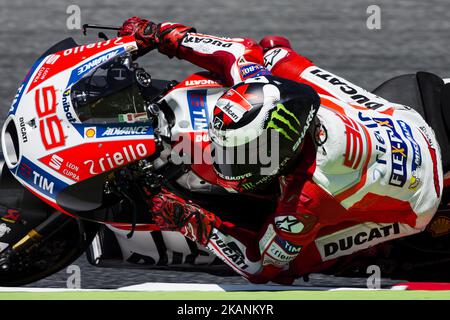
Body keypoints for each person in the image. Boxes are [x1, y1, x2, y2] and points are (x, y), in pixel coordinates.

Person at [118, 17, 443, 284]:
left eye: (248, 153)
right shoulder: (275, 91)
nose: (228, 163)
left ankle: (363, 256)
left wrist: (193, 221)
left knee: (300, 260)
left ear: (283, 150)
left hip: (418, 200)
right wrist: (165, 35)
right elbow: (239, 52)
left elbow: (260, 266)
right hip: (401, 122)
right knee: (276, 55)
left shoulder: (304, 200)